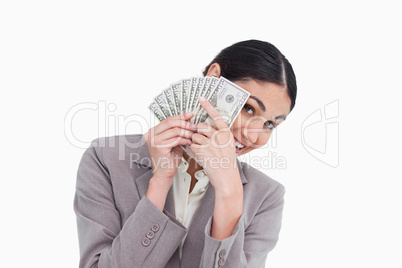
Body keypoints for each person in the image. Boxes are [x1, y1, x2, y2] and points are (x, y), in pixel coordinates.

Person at [74, 39, 297, 268]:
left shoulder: (267, 197)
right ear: (214, 78)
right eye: (248, 108)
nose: (253, 136)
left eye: (270, 124)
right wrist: (159, 183)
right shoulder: (105, 160)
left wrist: (229, 192)